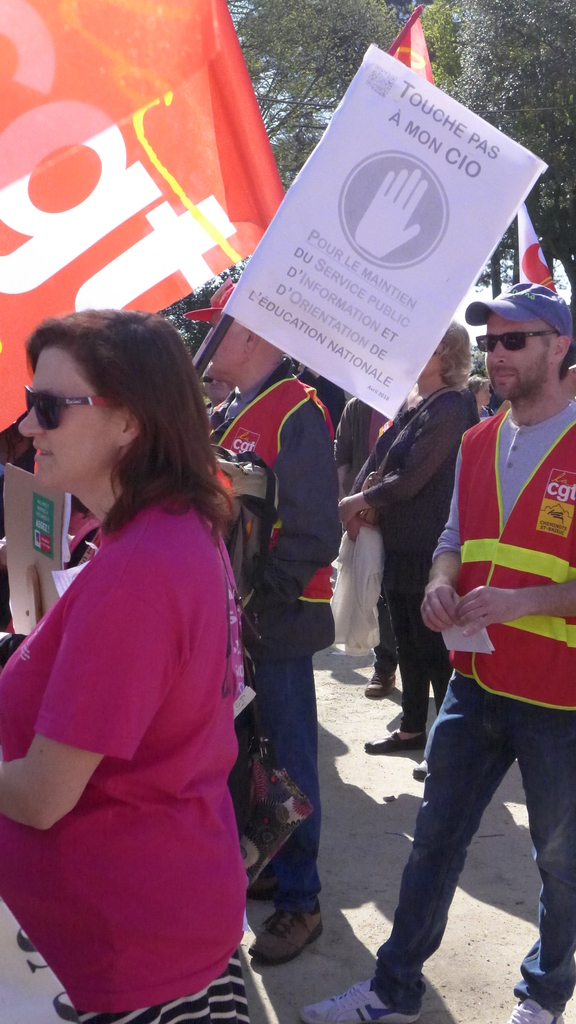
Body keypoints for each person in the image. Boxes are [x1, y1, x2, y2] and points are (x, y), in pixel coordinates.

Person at [301, 283, 576, 1024]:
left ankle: (543, 997)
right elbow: (454, 540)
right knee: (431, 843)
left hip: (561, 698)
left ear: (560, 346)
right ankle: (394, 990)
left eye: (515, 340)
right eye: (491, 342)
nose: (498, 354)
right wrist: (438, 585)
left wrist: (524, 603)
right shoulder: (481, 439)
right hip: (475, 680)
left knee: (560, 865)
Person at [0, 309, 249, 1024]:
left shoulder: (140, 571)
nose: (27, 427)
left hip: (120, 956)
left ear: (129, 422)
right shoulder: (167, 531)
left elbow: (45, 795)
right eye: (28, 404)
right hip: (148, 926)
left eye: (49, 408)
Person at [187, 282, 340, 966]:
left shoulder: (295, 412)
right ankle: (274, 861)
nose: (205, 343)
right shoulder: (237, 410)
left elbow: (313, 533)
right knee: (252, 759)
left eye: (215, 330)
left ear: (253, 335)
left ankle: (301, 903)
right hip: (243, 623)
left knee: (289, 761)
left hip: (274, 624)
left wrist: (250, 605)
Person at [339, 322, 477, 780]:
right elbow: (378, 458)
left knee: (434, 650)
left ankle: (447, 745)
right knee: (407, 642)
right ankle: (412, 729)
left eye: (424, 346)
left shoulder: (453, 406)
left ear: (447, 355)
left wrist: (360, 502)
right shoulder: (418, 403)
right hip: (401, 545)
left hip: (430, 546)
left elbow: (414, 476)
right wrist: (357, 496)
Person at [334, 397, 397, 699]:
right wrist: (348, 508)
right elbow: (342, 458)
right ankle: (384, 665)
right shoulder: (357, 407)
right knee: (373, 592)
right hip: (362, 514)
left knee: (399, 591)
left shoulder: (417, 402)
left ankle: (411, 669)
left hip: (401, 514)